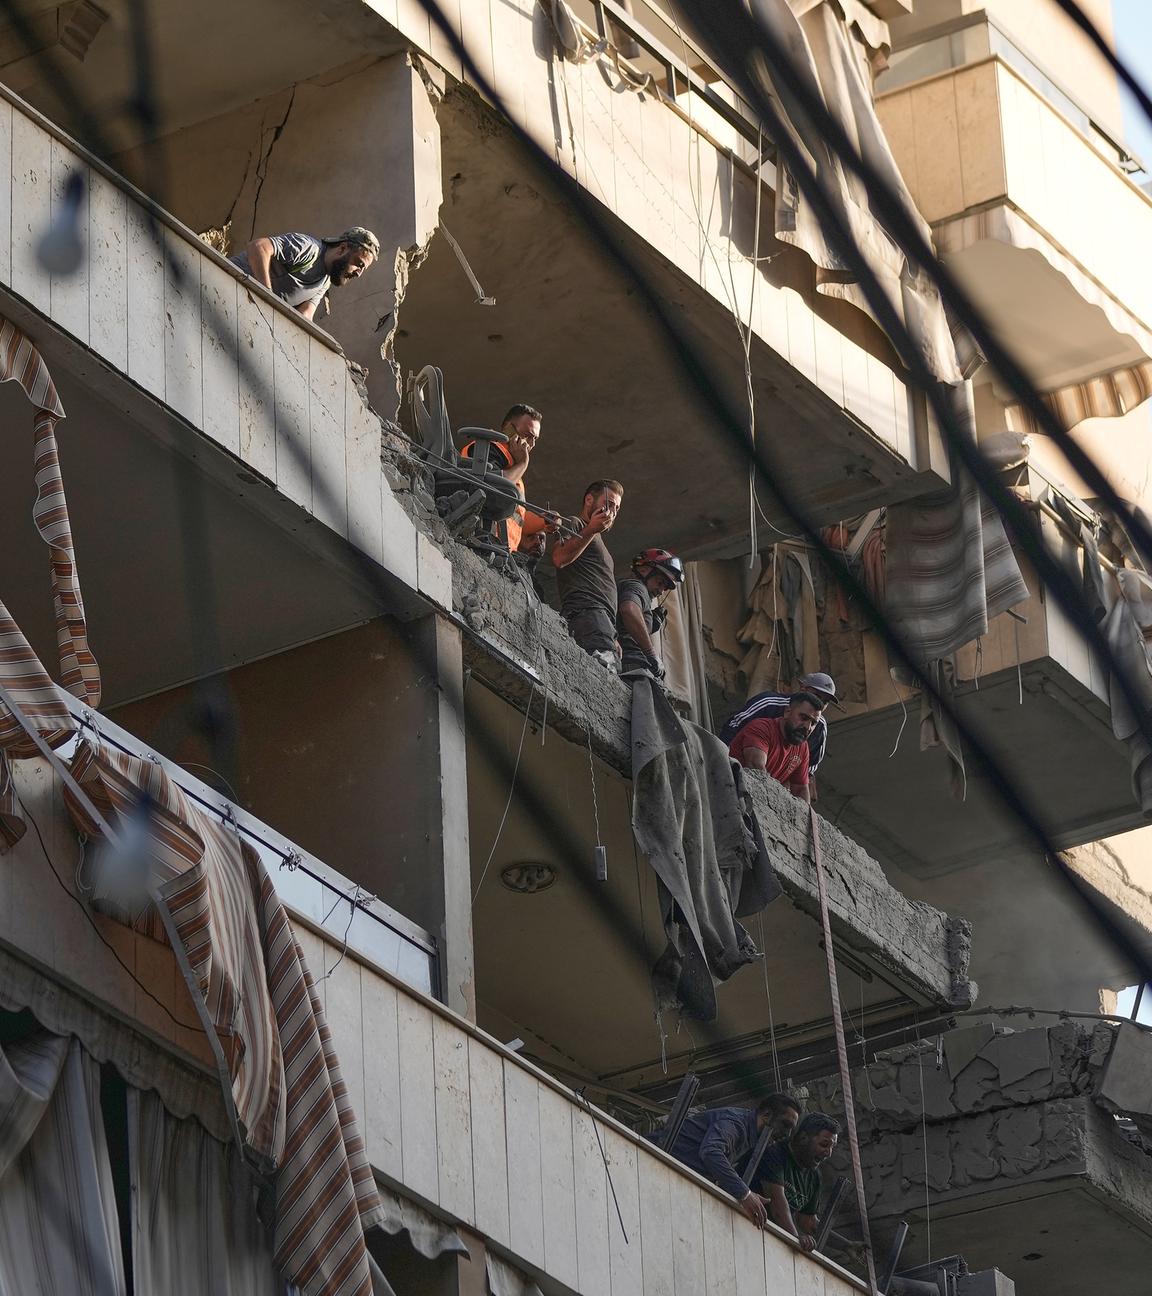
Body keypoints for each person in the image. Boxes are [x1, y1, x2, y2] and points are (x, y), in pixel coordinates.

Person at [660, 1094, 803, 1229]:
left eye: (791, 1129)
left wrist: (743, 1193)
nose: (787, 1134)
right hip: (655, 1164)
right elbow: (711, 1152)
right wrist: (745, 1194)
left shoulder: (749, 1137)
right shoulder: (736, 1123)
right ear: (766, 1115)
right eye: (785, 1124)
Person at [460, 404, 559, 555]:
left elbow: (516, 519)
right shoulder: (487, 448)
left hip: (500, 550)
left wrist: (543, 521)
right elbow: (494, 490)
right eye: (527, 435)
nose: (531, 444)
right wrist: (523, 463)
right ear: (508, 428)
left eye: (535, 439)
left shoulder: (514, 470)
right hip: (480, 542)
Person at [230, 228, 380, 320]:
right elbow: (259, 247)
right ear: (342, 249)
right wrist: (266, 295)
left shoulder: (324, 282)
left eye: (363, 269)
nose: (358, 274)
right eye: (358, 263)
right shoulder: (309, 249)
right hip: (225, 282)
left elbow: (305, 316)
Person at [552, 480, 624, 670]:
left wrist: (612, 634)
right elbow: (560, 558)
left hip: (601, 620)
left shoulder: (595, 536)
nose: (612, 512)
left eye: (616, 508)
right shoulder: (575, 523)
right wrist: (591, 529)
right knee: (603, 672)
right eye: (608, 504)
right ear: (589, 500)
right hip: (588, 611)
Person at [721, 672, 838, 778]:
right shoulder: (768, 703)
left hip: (775, 781)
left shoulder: (820, 726)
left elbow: (810, 765)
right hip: (735, 766)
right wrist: (721, 759)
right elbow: (734, 726)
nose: (821, 703)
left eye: (826, 701)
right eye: (817, 695)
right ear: (803, 689)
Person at [754, 1113, 840, 1251]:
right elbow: (777, 1204)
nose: (828, 1153)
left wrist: (846, 1245)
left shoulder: (814, 1176)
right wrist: (795, 1238)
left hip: (771, 1243)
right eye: (824, 1144)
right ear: (803, 1138)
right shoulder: (775, 1154)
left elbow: (808, 1222)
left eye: (832, 1147)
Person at [729, 691, 823, 802]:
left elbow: (800, 789)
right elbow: (756, 768)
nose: (808, 727)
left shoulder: (803, 748)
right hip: (729, 792)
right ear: (787, 712)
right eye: (803, 718)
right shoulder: (762, 728)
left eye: (813, 723)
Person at [617, 548, 684, 677]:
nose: (660, 591)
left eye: (664, 588)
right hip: (630, 664)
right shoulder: (637, 586)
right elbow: (629, 609)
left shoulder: (633, 589)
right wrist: (651, 653)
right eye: (659, 583)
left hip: (626, 662)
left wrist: (649, 622)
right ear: (644, 570)